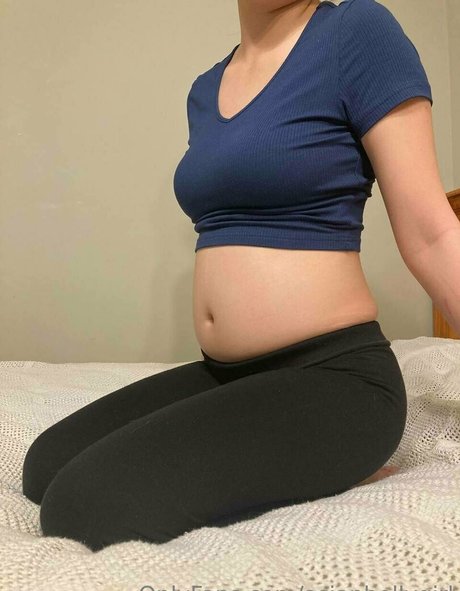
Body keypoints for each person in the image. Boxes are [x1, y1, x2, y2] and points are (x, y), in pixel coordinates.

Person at [22, 0, 436, 552]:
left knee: (82, 505)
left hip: (335, 380)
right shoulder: (205, 89)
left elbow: (433, 234)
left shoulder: (355, 31)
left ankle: (334, 458)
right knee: (44, 465)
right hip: (231, 376)